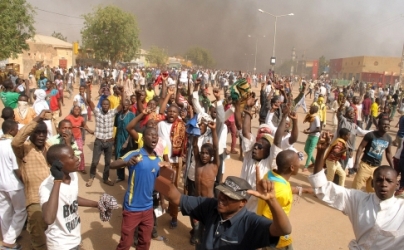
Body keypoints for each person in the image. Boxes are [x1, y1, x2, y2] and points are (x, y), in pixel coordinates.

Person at [156, 166, 291, 250]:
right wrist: (158, 172)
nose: (221, 198)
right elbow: (177, 198)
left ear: (242, 203)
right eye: (222, 192)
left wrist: (272, 200)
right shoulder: (210, 206)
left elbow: (284, 229)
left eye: (230, 196)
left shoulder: (250, 223)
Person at [308, 131, 404, 250]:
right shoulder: (358, 200)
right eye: (379, 180)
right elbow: (322, 187)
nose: (383, 184)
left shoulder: (401, 209)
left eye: (389, 181)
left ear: (397, 184)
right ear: (372, 183)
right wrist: (321, 152)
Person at [40, 144, 100, 250]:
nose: (77, 159)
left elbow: (71, 198)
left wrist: (97, 204)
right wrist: (57, 180)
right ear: (58, 164)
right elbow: (48, 219)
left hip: (75, 239)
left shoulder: (72, 175)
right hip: (60, 245)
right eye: (72, 157)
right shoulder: (46, 186)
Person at [110, 127, 161, 250]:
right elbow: (112, 165)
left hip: (148, 208)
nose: (154, 137)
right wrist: (126, 163)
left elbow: (158, 183)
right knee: (126, 243)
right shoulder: (135, 154)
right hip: (132, 208)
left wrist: (162, 200)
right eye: (150, 135)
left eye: (156, 135)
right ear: (143, 138)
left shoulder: (158, 160)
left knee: (145, 242)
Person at [11, 110, 52, 249]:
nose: (41, 136)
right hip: (35, 200)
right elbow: (16, 141)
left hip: (53, 198)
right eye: (37, 132)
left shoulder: (49, 148)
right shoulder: (24, 149)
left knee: (54, 235)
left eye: (43, 133)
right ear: (31, 134)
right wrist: (36, 119)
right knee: (39, 238)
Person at [257, 150, 313, 250]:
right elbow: (267, 217)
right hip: (277, 239)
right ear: (292, 167)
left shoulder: (271, 174)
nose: (300, 164)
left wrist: (304, 190)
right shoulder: (282, 191)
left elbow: (283, 188)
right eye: (298, 161)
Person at [234, 95, 273, 212]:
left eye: (260, 146)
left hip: (257, 206)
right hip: (241, 200)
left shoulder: (270, 162)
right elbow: (245, 131)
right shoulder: (249, 153)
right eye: (256, 144)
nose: (256, 148)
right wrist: (248, 109)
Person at [157, 84, 187, 228]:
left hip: (175, 162)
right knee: (160, 187)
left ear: (178, 114)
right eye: (169, 112)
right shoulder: (161, 124)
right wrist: (169, 94)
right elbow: (161, 109)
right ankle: (157, 212)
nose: (171, 114)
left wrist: (178, 92)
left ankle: (174, 215)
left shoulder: (180, 124)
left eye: (174, 112)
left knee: (173, 190)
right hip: (161, 161)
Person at [85, 82, 123, 187]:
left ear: (109, 106)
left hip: (109, 142)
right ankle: (91, 177)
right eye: (104, 104)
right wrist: (88, 88)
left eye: (107, 104)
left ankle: (105, 179)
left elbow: (122, 105)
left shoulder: (112, 112)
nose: (105, 106)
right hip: (99, 141)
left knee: (107, 163)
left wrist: (122, 93)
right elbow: (89, 101)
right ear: (101, 105)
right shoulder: (97, 112)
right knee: (94, 162)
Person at [0, 120, 27, 250]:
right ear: (11, 131)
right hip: (14, 185)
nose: (18, 131)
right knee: (21, 211)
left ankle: (7, 237)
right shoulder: (12, 145)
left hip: (1, 184)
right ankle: (10, 239)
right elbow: (17, 169)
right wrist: (26, 182)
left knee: (5, 211)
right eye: (16, 129)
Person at [352, 118, 393, 192]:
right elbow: (360, 148)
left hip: (376, 168)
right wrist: (356, 163)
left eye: (388, 125)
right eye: (384, 124)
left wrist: (392, 167)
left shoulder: (388, 138)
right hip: (365, 165)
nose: (386, 126)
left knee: (372, 190)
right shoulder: (370, 135)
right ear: (379, 125)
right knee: (356, 188)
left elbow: (388, 153)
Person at [65, 106, 94, 173]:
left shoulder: (81, 118)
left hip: (78, 137)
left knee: (80, 151)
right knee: (69, 151)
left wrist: (90, 131)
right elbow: (63, 125)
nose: (77, 110)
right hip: (70, 137)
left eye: (78, 109)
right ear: (72, 110)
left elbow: (84, 126)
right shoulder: (68, 117)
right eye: (75, 109)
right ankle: (69, 167)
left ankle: (82, 168)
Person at [114, 99, 135, 182]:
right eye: (123, 105)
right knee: (118, 157)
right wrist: (115, 140)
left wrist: (126, 142)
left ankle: (130, 177)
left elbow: (132, 129)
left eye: (126, 104)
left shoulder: (131, 115)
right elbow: (117, 127)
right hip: (119, 138)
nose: (124, 106)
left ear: (129, 105)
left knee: (128, 158)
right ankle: (120, 176)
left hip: (128, 139)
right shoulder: (118, 115)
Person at [302, 105, 321, 171]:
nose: (310, 110)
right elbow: (312, 126)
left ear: (314, 110)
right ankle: (314, 162)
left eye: (311, 109)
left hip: (315, 136)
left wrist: (309, 132)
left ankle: (306, 166)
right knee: (306, 149)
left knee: (310, 151)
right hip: (311, 135)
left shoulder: (316, 118)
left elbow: (318, 129)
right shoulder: (312, 117)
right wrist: (308, 129)